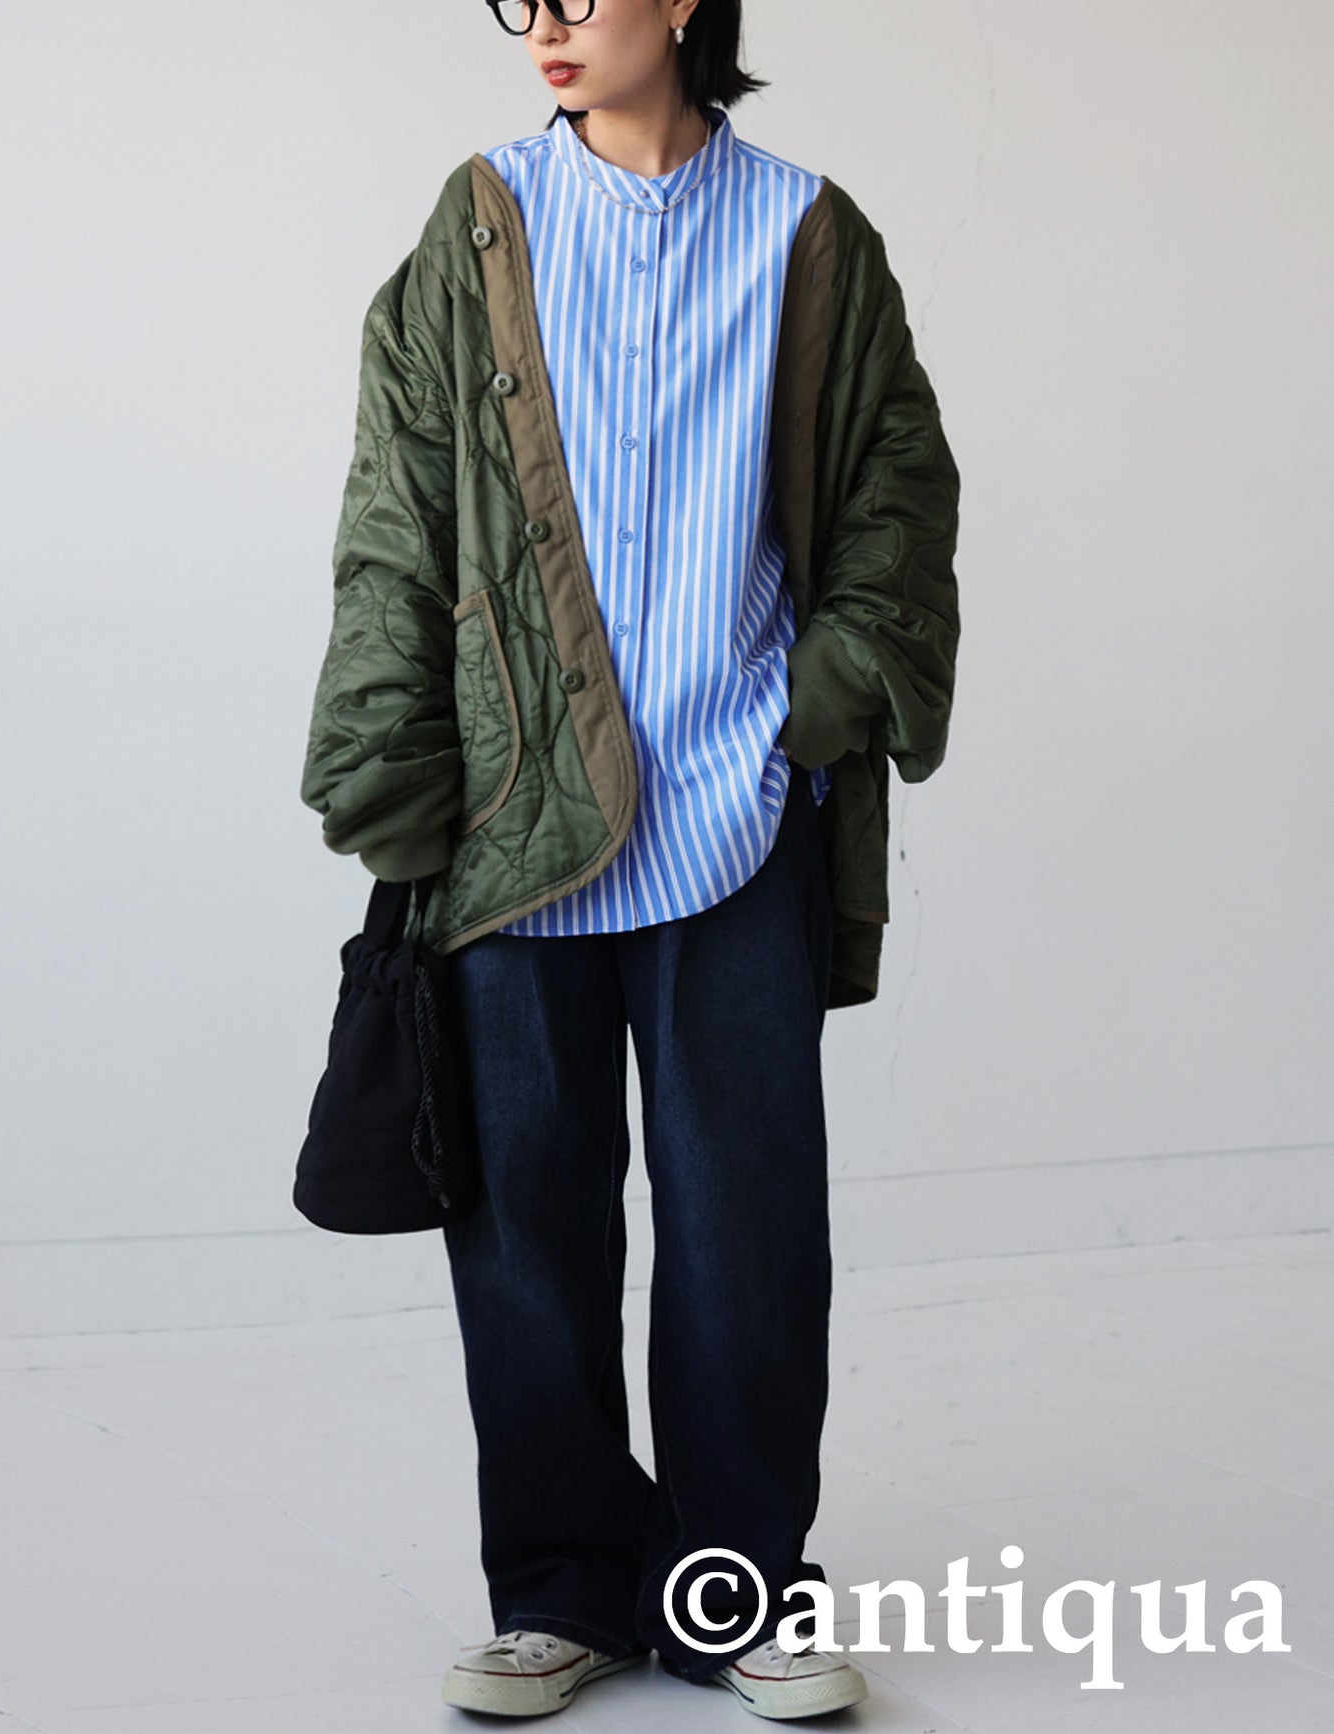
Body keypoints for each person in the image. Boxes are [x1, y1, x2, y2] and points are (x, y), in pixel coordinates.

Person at [300, 0, 961, 1719]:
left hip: (736, 809)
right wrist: (394, 765)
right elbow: (396, 511)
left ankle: (737, 1590)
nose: (544, 24)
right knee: (526, 1220)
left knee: (748, 1225)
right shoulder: (480, 224)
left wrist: (818, 703)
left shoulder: (807, 231)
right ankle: (561, 1589)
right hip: (514, 813)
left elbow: (895, 497)